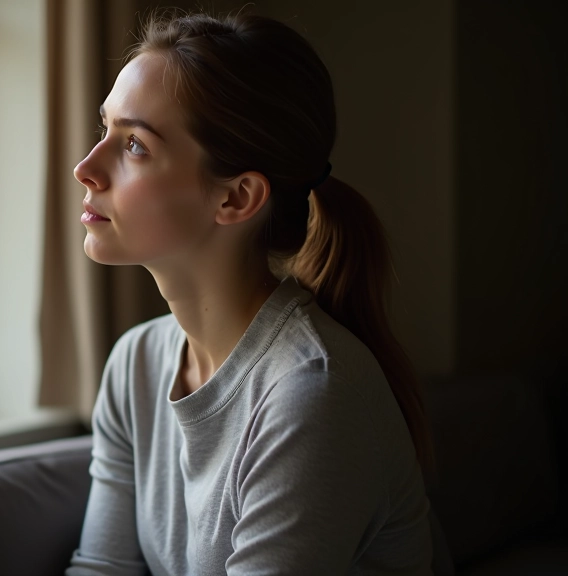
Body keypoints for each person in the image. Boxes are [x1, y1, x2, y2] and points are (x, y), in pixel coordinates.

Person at [66, 11, 435, 576]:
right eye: (104, 131)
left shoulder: (311, 394)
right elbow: (102, 569)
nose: (86, 168)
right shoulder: (134, 364)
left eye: (135, 145)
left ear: (236, 199)